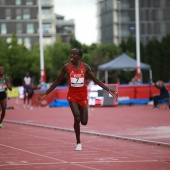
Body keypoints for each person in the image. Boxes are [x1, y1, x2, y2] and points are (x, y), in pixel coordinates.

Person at [36, 48, 118, 151]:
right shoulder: (66, 67)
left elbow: (96, 80)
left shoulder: (85, 67)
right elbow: (57, 81)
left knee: (84, 122)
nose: (71, 55)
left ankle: (81, 117)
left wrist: (108, 89)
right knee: (77, 117)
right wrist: (46, 93)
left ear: (79, 57)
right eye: (71, 53)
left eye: (74, 54)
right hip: (72, 96)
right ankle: (78, 142)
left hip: (82, 95)